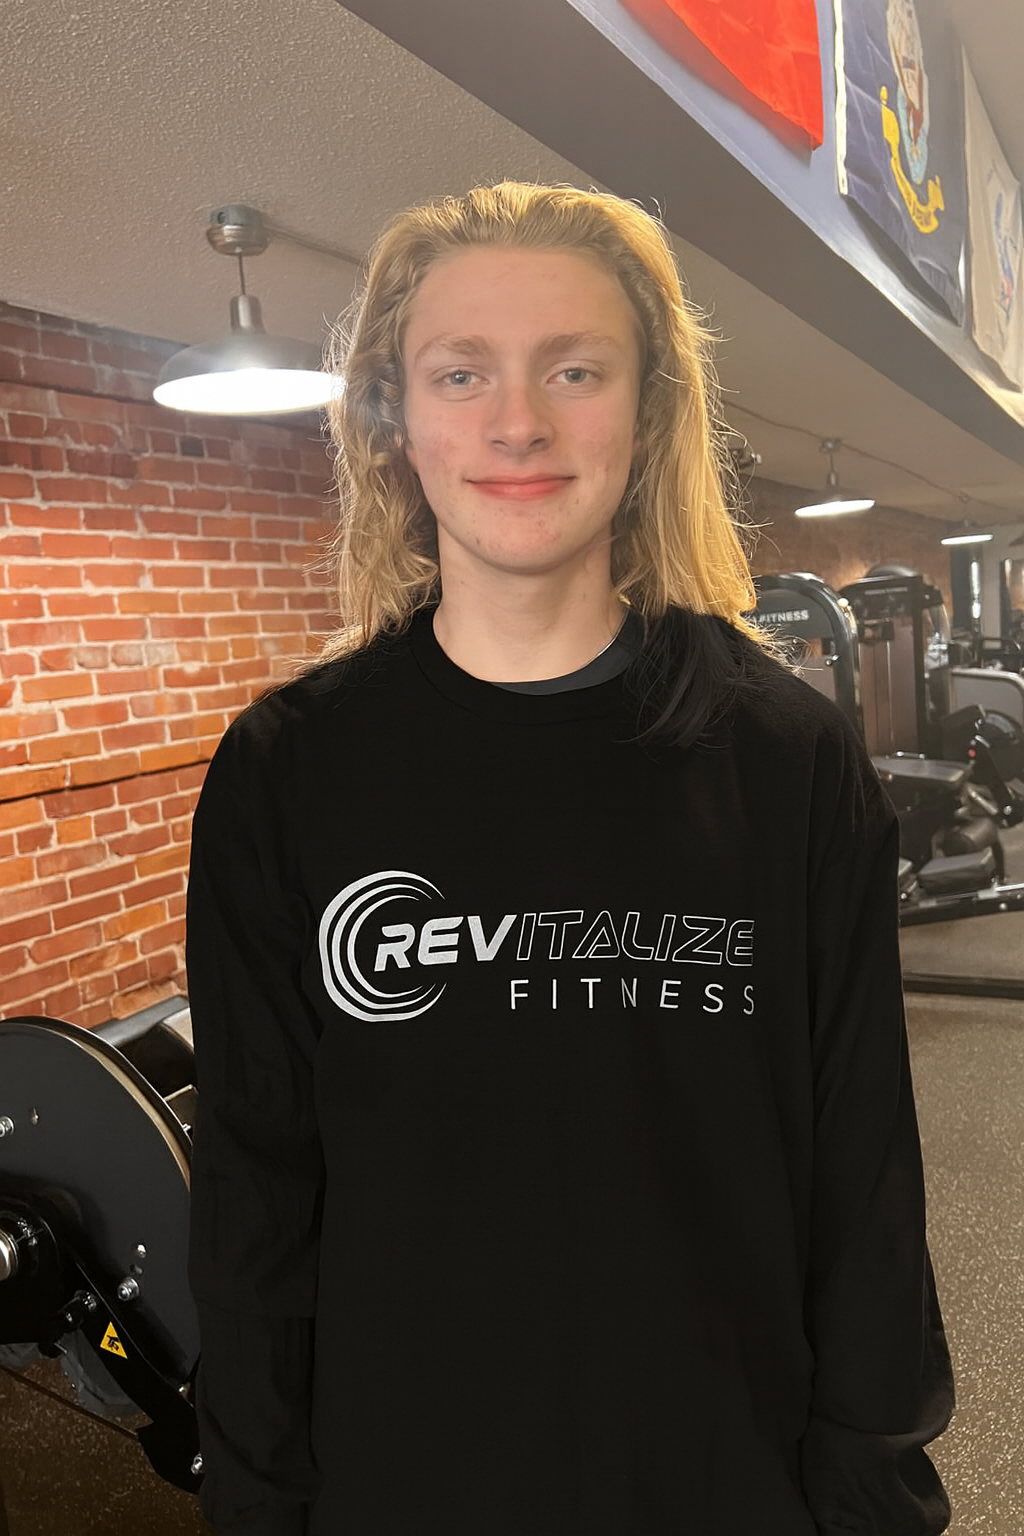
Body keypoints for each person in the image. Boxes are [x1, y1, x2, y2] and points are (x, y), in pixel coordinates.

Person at [186, 181, 954, 1536]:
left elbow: (864, 1186)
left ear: (649, 416)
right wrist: (261, 1499)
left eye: (575, 370)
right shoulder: (288, 772)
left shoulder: (785, 759)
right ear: (395, 418)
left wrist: (871, 1490)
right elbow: (259, 1203)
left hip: (726, 1482)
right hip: (402, 1487)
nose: (518, 422)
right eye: (461, 372)